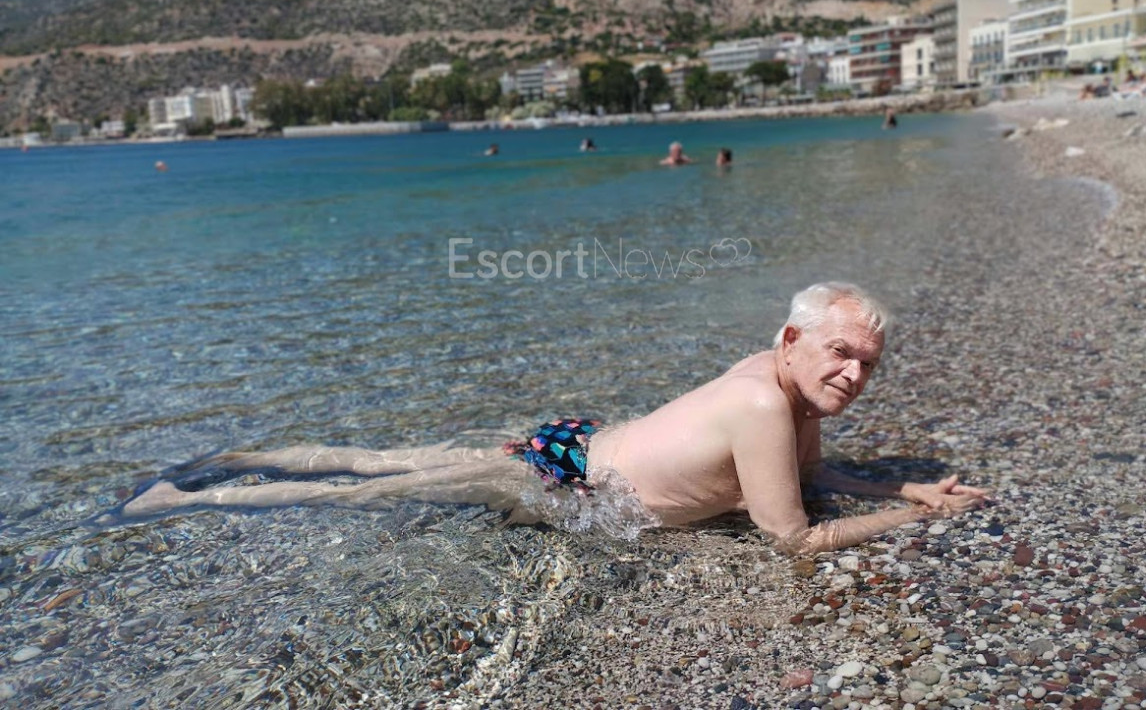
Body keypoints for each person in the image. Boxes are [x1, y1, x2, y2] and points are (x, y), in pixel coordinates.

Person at [121, 283, 989, 555]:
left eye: (867, 364)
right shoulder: (766, 401)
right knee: (368, 492)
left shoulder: (775, 378)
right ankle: (185, 498)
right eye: (841, 353)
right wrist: (917, 517)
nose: (853, 374)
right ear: (795, 339)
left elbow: (810, 474)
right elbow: (794, 537)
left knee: (386, 460)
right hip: (563, 478)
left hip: (569, 443)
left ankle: (235, 454)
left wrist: (901, 484)